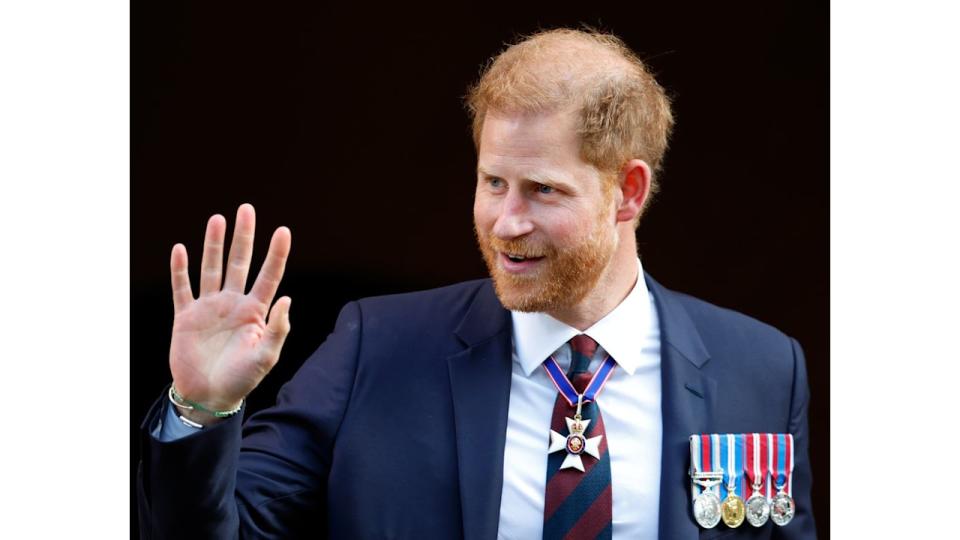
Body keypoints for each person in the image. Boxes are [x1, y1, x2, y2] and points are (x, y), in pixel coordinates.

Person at [137, 29, 816, 539]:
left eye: (542, 190)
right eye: (493, 182)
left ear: (627, 192)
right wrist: (200, 409)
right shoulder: (375, 348)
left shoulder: (761, 368)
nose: (505, 222)